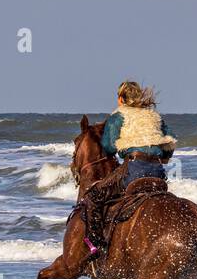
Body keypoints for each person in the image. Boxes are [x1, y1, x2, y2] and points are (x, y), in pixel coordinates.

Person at [76, 81, 177, 256]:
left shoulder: (118, 116)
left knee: (93, 197)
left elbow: (108, 146)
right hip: (158, 171)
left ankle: (96, 245)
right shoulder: (154, 116)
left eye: (118, 97)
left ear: (121, 99)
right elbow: (171, 140)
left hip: (134, 168)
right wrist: (165, 157)